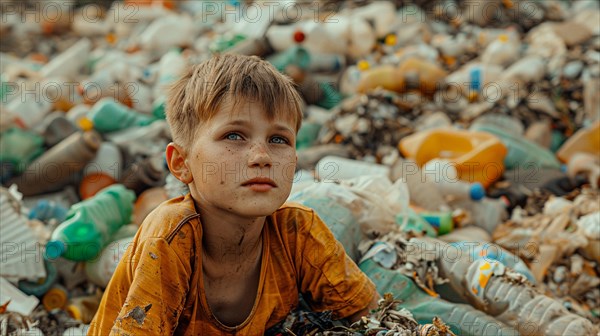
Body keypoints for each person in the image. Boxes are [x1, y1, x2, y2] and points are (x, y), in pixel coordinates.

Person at [88, 54, 379, 335]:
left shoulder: (297, 232)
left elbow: (368, 318)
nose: (261, 156)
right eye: (234, 136)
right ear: (181, 163)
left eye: (278, 139)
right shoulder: (170, 238)